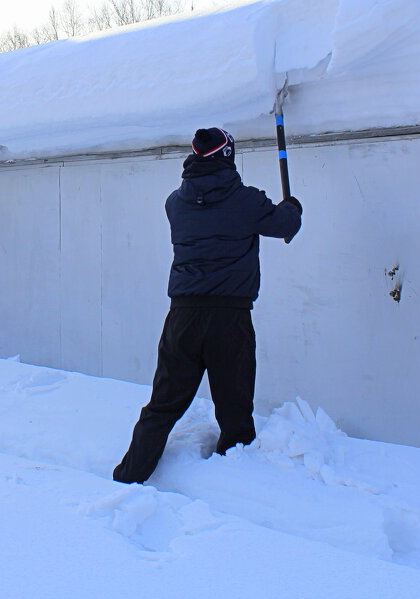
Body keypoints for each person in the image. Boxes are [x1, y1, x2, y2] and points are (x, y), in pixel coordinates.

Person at [113, 128, 303, 484]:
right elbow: (285, 224)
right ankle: (232, 486)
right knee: (234, 407)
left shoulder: (175, 203)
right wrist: (292, 206)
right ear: (228, 155)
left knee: (164, 404)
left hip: (182, 317)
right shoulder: (245, 201)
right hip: (229, 319)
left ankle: (129, 476)